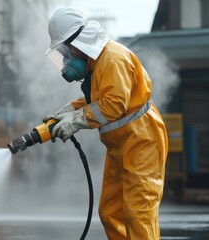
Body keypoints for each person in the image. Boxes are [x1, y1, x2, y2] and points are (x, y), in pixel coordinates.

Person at [43, 7, 168, 240]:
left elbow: (114, 105)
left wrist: (77, 120)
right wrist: (74, 108)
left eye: (66, 49)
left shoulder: (112, 58)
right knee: (110, 212)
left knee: (138, 213)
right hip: (121, 144)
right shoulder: (96, 63)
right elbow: (102, 97)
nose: (67, 56)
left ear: (78, 41)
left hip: (142, 140)